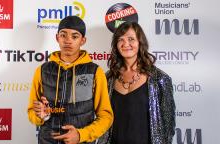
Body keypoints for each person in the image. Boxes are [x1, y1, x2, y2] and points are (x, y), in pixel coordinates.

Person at [27, 16, 113, 144]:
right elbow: (32, 112)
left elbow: (106, 117)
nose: (68, 41)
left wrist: (80, 135)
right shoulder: (42, 70)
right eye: (63, 35)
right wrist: (41, 115)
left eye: (74, 36)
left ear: (83, 40)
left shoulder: (95, 72)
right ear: (57, 38)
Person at [98, 21, 176, 144]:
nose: (125, 44)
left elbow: (168, 126)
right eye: (120, 40)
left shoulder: (160, 79)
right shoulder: (107, 78)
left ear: (140, 42)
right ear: (116, 45)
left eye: (131, 39)